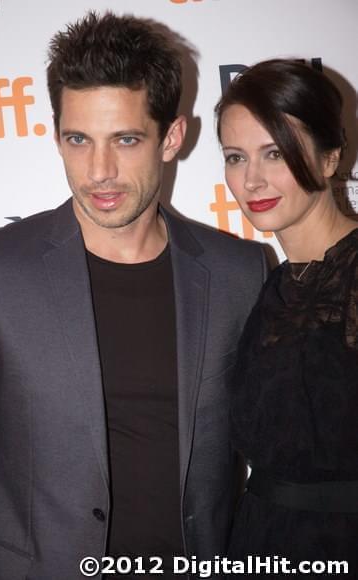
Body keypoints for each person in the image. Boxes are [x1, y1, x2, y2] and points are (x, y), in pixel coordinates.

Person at [0, 12, 266, 580]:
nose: (98, 171)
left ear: (172, 138)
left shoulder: (239, 272)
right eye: (78, 140)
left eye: (126, 140)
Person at [216, 59, 358, 575]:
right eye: (235, 157)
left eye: (274, 153)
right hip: (258, 546)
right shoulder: (269, 288)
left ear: (329, 158)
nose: (252, 179)